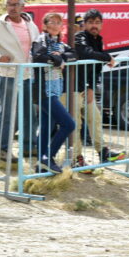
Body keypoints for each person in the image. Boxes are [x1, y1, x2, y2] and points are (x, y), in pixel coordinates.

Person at [0, 0, 40, 161]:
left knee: (29, 113)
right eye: (9, 4)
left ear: (22, 6)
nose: (12, 8)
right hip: (9, 74)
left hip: (27, 74)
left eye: (15, 4)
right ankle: (3, 149)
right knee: (7, 113)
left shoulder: (30, 24)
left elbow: (36, 45)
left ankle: (29, 147)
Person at [72, 8, 125, 164]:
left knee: (95, 119)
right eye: (90, 22)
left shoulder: (98, 39)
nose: (94, 25)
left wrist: (90, 88)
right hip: (72, 88)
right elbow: (85, 53)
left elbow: (95, 68)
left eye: (97, 22)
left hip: (86, 88)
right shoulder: (79, 36)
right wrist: (107, 56)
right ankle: (76, 158)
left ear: (101, 24)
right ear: (85, 24)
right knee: (76, 125)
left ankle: (103, 153)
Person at [31, 13, 76, 173]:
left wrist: (62, 57)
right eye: (53, 22)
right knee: (69, 124)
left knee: (46, 127)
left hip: (54, 90)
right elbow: (37, 57)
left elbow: (74, 55)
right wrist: (57, 60)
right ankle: (47, 158)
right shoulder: (41, 39)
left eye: (59, 22)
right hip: (43, 91)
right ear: (45, 25)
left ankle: (40, 166)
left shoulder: (60, 44)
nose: (56, 25)